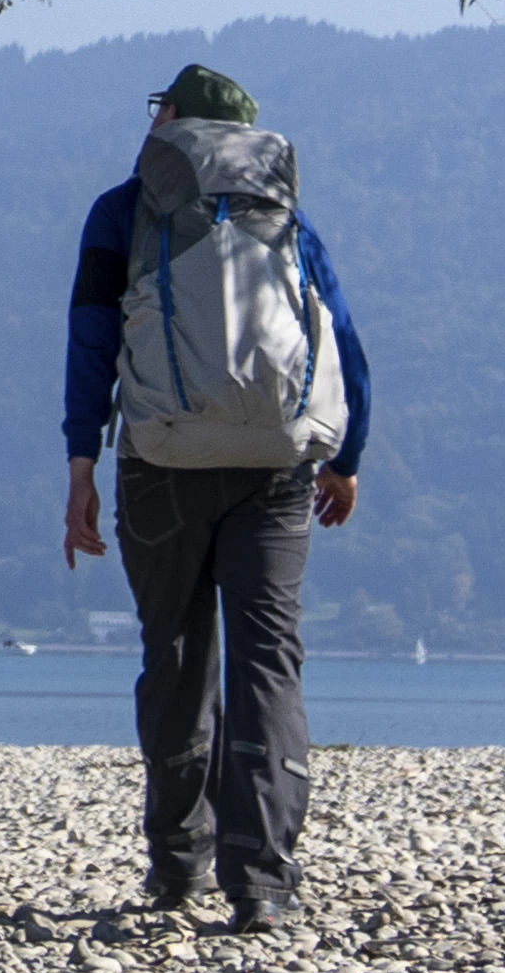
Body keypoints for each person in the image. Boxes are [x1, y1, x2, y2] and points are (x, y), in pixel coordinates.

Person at [59, 60, 372, 928]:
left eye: (160, 109)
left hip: (158, 463)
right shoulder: (285, 218)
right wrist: (347, 457)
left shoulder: (123, 212)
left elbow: (90, 341)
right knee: (268, 660)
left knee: (177, 655)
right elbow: (339, 335)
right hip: (277, 465)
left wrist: (81, 464)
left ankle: (177, 864)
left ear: (174, 124)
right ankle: (263, 882)